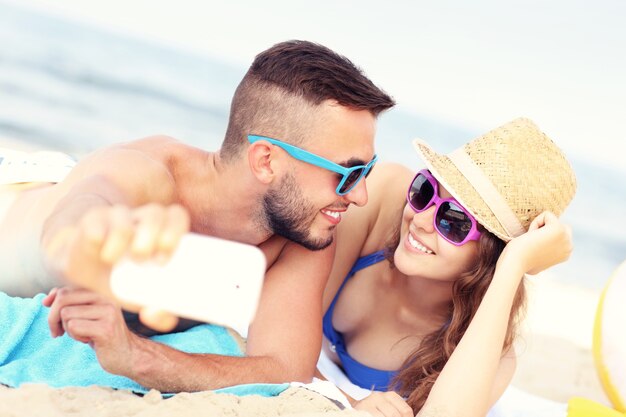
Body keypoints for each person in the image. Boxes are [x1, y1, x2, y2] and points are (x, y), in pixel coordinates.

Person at [0, 40, 394, 392]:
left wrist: (137, 357)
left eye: (367, 172)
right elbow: (76, 220)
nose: (359, 196)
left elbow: (285, 368)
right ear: (267, 161)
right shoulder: (147, 176)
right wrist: (90, 240)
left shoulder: (305, 229)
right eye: (348, 174)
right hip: (21, 189)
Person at [318, 118, 576, 417]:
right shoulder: (383, 197)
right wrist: (346, 401)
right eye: (425, 190)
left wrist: (513, 264)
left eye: (453, 220)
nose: (421, 220)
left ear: (491, 255)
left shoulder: (491, 352)